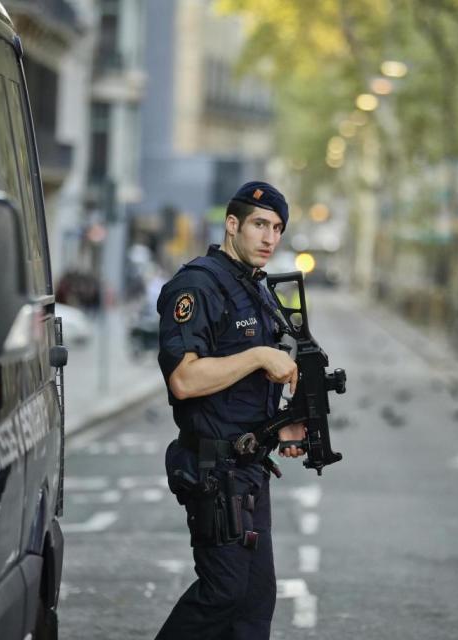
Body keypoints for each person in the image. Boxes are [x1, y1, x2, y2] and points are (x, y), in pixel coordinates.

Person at [154, 181, 306, 640]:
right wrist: (259, 356)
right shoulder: (198, 285)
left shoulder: (255, 291)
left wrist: (282, 426)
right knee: (223, 592)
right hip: (213, 470)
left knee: (253, 606)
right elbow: (184, 379)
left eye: (277, 228)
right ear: (232, 224)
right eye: (260, 224)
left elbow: (238, 393)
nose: (269, 238)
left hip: (248, 467)